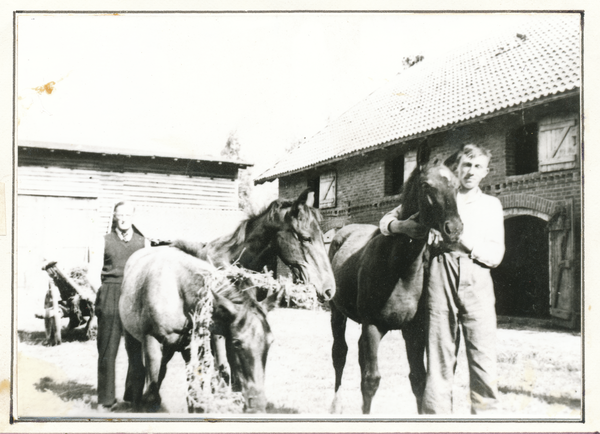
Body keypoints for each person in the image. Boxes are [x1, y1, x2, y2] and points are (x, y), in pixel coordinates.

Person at [379, 144, 505, 414]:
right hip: (440, 272)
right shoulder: (441, 192)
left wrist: (464, 240)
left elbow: (495, 255)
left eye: (477, 167)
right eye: (466, 166)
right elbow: (387, 219)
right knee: (438, 356)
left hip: (477, 276)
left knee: (483, 357)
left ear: (485, 172)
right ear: (457, 170)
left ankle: (488, 421)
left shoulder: (491, 205)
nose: (471, 172)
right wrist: (399, 226)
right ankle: (437, 421)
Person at [88, 201, 150, 411]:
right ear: (114, 216)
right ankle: (106, 400)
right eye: (119, 215)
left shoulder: (144, 243)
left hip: (134, 296)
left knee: (136, 350)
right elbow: (92, 273)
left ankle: (133, 397)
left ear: (133, 216)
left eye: (127, 215)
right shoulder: (102, 241)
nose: (123, 218)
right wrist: (103, 294)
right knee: (107, 349)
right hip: (110, 293)